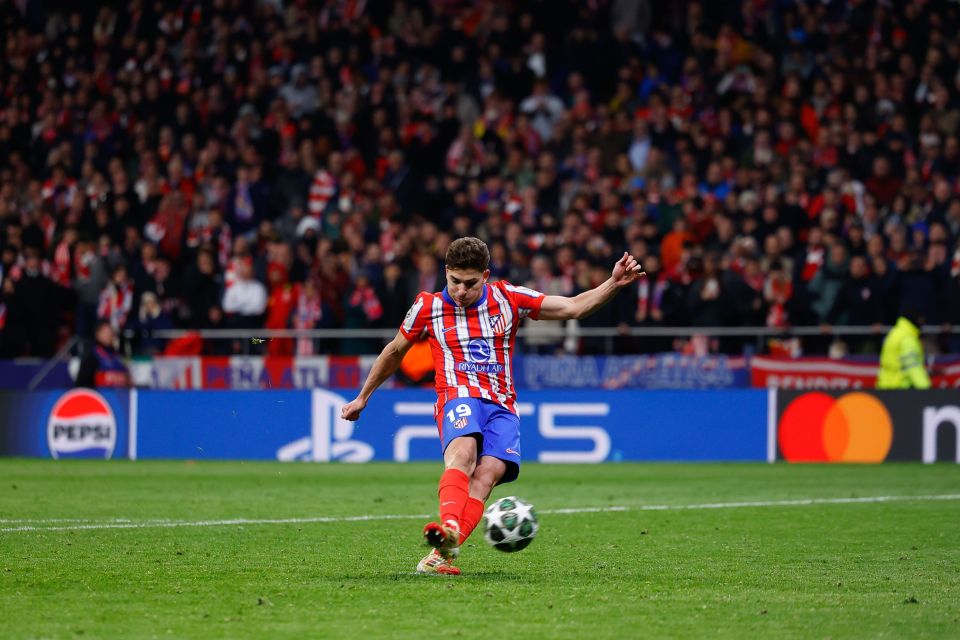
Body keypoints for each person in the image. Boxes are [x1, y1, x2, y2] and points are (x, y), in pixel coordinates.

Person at [340, 237, 645, 575]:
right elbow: (395, 351)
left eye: (470, 283)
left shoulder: (509, 298)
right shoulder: (427, 306)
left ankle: (442, 553)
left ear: (485, 275)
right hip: (457, 395)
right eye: (454, 281)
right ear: (446, 273)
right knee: (463, 455)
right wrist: (362, 397)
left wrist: (613, 283)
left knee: (485, 479)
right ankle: (451, 528)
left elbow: (572, 307)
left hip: (502, 406)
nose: (460, 290)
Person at [876, 310, 931, 389]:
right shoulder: (908, 338)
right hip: (900, 389)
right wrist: (926, 389)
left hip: (884, 386)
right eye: (921, 319)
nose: (923, 322)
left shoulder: (894, 333)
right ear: (915, 319)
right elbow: (913, 367)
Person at [76, 321, 131, 388]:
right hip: (100, 395)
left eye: (110, 333)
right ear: (97, 334)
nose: (108, 335)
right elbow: (83, 383)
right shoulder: (92, 355)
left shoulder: (117, 356)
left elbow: (128, 378)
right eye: (105, 333)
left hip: (119, 395)